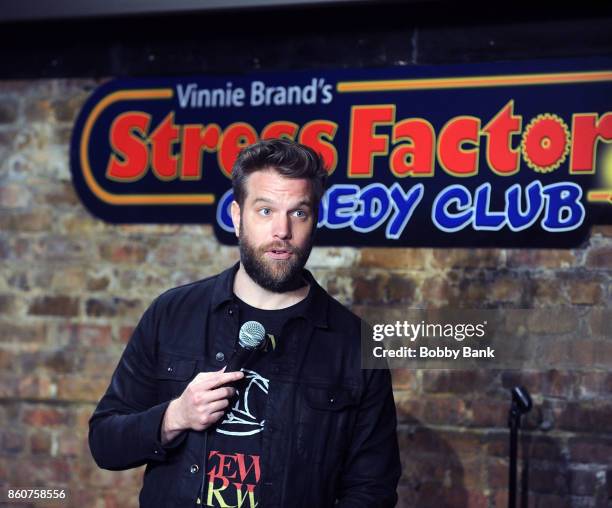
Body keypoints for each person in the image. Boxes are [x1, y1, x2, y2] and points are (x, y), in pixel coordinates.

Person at [88, 138, 401, 507]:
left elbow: (372, 491)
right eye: (265, 211)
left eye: (298, 213)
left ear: (315, 219)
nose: (282, 231)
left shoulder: (356, 344)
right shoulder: (173, 313)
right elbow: (105, 444)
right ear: (237, 217)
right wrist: (175, 416)